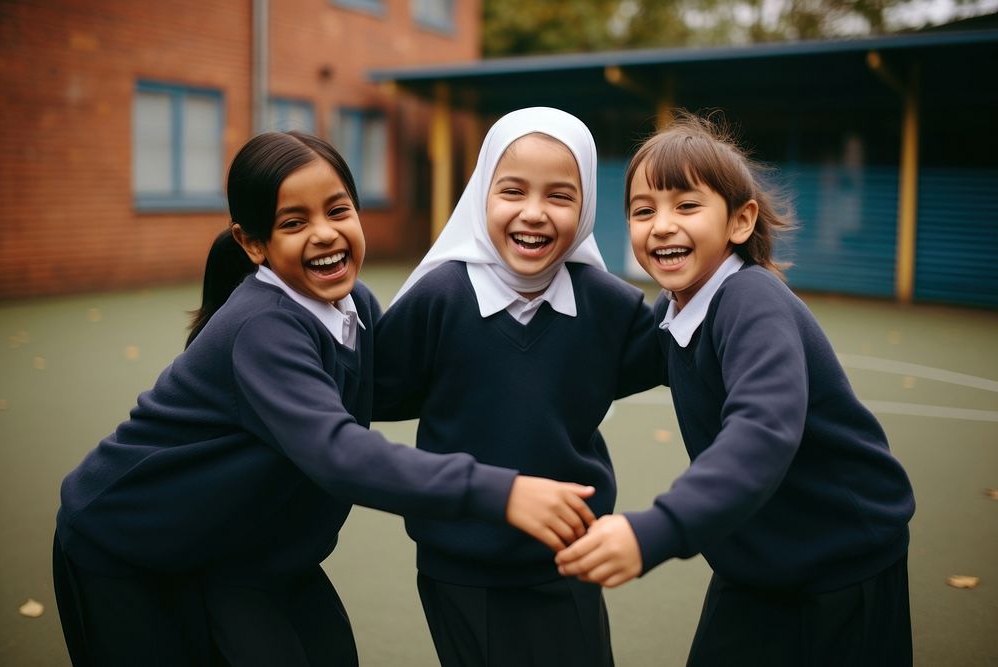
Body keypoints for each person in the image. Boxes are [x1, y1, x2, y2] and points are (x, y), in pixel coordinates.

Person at [52, 131, 599, 667]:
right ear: (252, 243)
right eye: (294, 223)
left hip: (245, 551)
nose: (324, 234)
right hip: (127, 546)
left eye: (338, 211)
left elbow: (408, 383)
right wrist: (501, 492)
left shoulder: (354, 304)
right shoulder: (263, 327)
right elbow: (338, 452)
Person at [556, 112, 916, 666]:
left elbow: (763, 431)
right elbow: (594, 368)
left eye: (687, 205)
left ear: (741, 221)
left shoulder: (751, 300)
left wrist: (657, 528)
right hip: (754, 565)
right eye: (643, 210)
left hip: (843, 565)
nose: (662, 224)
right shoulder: (675, 313)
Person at [373, 107, 663, 666]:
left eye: (560, 195)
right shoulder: (438, 299)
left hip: (572, 560)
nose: (534, 213)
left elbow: (682, 354)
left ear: (585, 208)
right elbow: (371, 391)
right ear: (482, 193)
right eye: (512, 191)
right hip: (460, 567)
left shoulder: (611, 305)